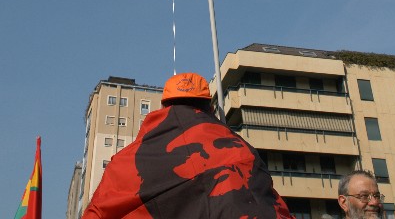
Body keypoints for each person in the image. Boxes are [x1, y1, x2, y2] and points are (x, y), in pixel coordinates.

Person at [82, 72, 294, 219]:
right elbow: (269, 206)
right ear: (210, 108)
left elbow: (98, 211)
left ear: (163, 106)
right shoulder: (239, 149)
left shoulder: (125, 161)